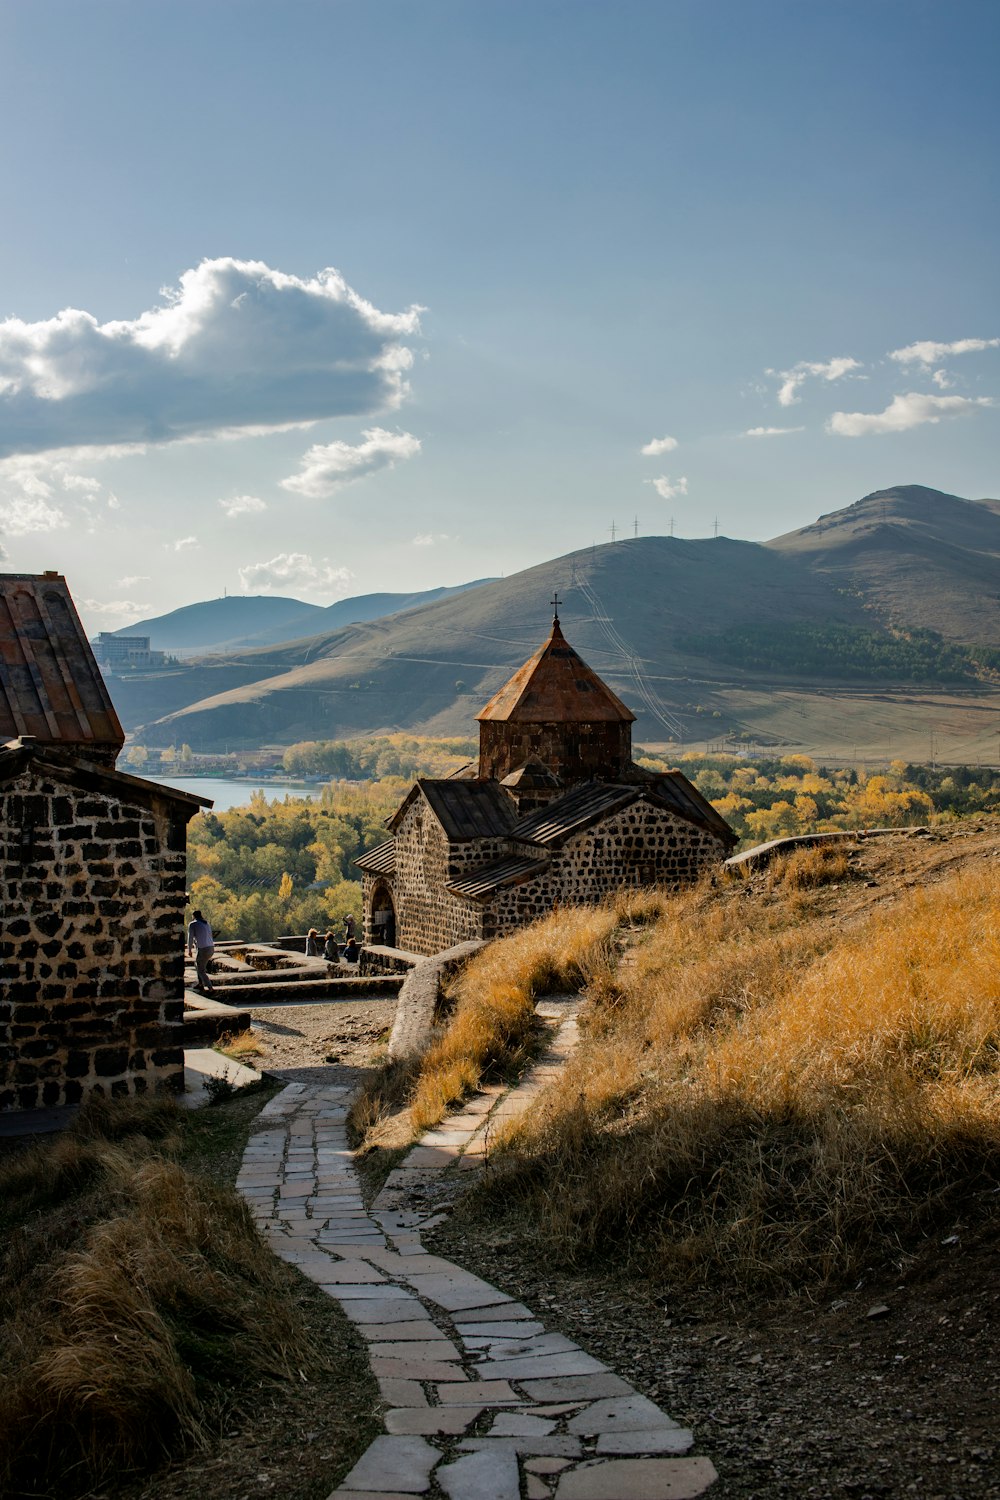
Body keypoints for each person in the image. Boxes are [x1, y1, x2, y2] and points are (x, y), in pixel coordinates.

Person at [187, 909, 216, 993]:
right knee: (198, 965)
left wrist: (189, 950)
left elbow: (190, 938)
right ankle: (200, 984)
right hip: (211, 948)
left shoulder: (193, 924)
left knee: (201, 970)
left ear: (194, 916)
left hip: (203, 949)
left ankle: (210, 988)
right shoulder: (206, 923)